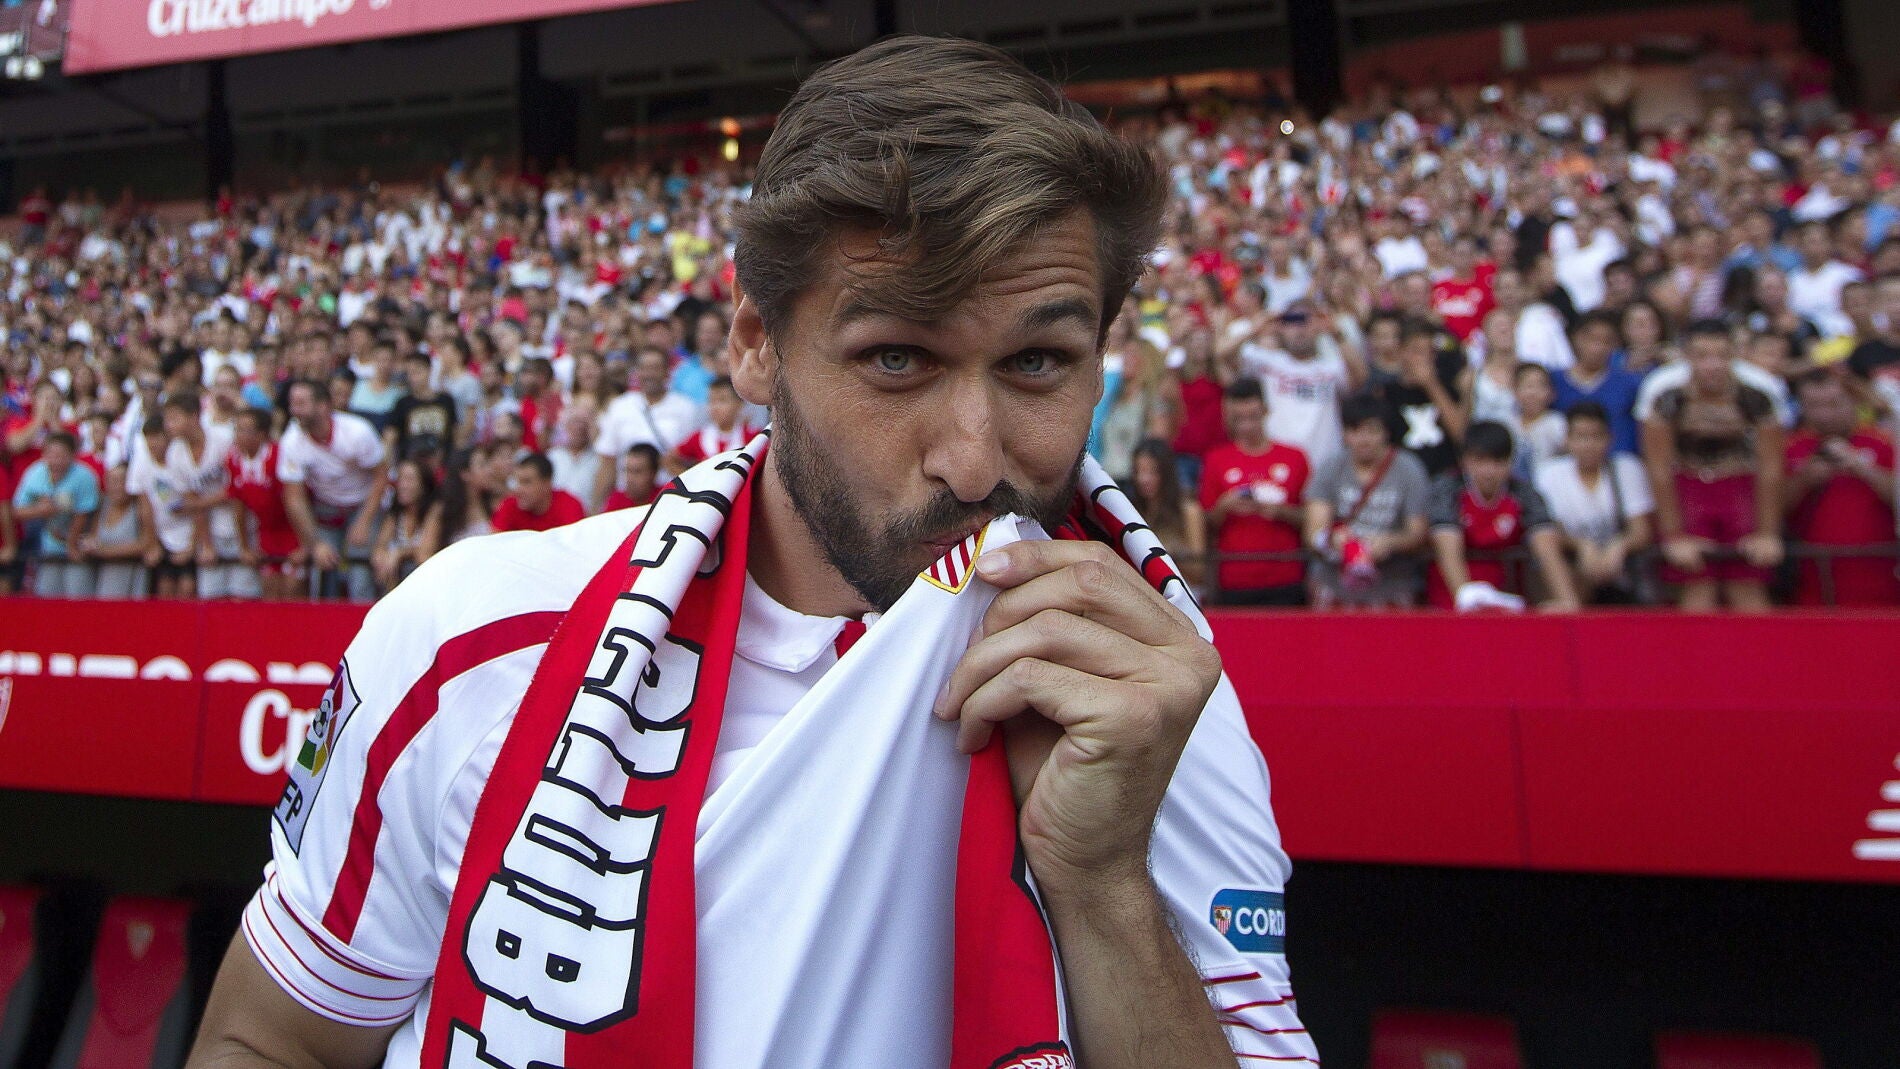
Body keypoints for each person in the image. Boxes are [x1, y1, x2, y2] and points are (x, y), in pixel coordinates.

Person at [190, 37, 1312, 1069]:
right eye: (896, 360)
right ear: (754, 344)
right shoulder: (468, 642)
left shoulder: (1152, 695)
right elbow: (268, 1038)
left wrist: (1105, 885)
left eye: (1035, 364)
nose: (975, 463)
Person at [1642, 319, 1787, 612]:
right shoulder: (1665, 396)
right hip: (1689, 491)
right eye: (1703, 356)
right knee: (1697, 590)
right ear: (1687, 357)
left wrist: (1768, 532)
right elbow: (1659, 467)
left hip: (1740, 490)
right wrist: (1674, 535)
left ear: (1734, 355)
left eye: (1721, 355)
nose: (1713, 365)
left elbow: (1771, 465)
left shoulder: (1758, 394)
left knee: (1748, 591)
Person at [1428, 420, 1581, 611]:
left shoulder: (1524, 494)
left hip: (1508, 601)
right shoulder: (1447, 491)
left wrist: (1568, 603)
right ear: (1464, 460)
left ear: (1511, 462)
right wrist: (1468, 599)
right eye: (1480, 460)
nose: (1489, 471)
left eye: (1498, 462)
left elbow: (1546, 547)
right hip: (1454, 600)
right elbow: (1448, 551)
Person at [1304, 394, 1432, 609]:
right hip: (1334, 584)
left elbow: (1418, 532)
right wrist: (1332, 539)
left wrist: (1390, 542)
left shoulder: (1409, 469)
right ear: (1345, 434)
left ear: (1385, 433)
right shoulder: (1331, 468)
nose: (1364, 440)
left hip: (1393, 584)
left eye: (1372, 431)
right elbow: (1313, 531)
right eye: (1355, 431)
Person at [1781, 372, 1899, 605]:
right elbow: (1772, 509)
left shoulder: (1886, 443)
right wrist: (1804, 479)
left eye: (1833, 404)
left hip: (1883, 583)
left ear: (1853, 401)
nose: (1824, 415)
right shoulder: (1790, 447)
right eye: (1814, 405)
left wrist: (1864, 469)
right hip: (1812, 586)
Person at [1198, 377, 1309, 605]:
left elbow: (1312, 520)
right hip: (1235, 578)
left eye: (1253, 417)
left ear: (1266, 411)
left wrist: (1281, 512)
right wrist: (1225, 506)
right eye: (1239, 419)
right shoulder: (1216, 459)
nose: (1247, 425)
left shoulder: (1295, 457)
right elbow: (1206, 523)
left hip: (1285, 576)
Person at [1534, 401, 1656, 604]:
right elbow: (1548, 530)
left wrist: (1619, 546)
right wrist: (1582, 546)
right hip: (1573, 568)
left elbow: (1641, 530)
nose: (1588, 445)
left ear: (1609, 438)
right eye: (1581, 437)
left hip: (1621, 572)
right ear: (1567, 439)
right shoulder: (1549, 474)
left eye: (1596, 437)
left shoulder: (1628, 468)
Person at [279, 378, 388, 601]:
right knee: (323, 571)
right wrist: (315, 543)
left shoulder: (357, 432)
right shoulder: (291, 441)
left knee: (360, 576)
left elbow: (381, 476)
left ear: (323, 405)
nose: (294, 410)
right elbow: (294, 498)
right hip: (325, 507)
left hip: (363, 502)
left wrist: (364, 522)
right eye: (293, 403)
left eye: (301, 403)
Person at [223, 407, 302, 601]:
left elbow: (297, 499)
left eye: (245, 430)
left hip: (292, 531)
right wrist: (244, 546)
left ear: (261, 434)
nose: (239, 436)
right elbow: (238, 503)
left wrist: (305, 544)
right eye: (237, 430)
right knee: (269, 590)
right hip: (266, 533)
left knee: (293, 590)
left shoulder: (279, 455)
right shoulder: (233, 460)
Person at [11, 431, 100, 597]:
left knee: (78, 596)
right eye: (51, 455)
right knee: (47, 596)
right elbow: (17, 511)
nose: (55, 461)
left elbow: (84, 513)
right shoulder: (35, 473)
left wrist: (72, 545)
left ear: (73, 455)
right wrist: (40, 510)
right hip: (46, 546)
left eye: (61, 456)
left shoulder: (85, 476)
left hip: (80, 543)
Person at [594, 344, 705, 476]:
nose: (649, 374)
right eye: (644, 368)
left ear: (667, 372)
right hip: (628, 492)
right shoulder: (620, 405)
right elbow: (608, 460)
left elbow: (694, 459)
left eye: (655, 368)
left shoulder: (687, 408)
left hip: (671, 491)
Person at [1552, 310, 1644, 456]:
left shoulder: (1630, 383)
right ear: (1575, 338)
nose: (1598, 347)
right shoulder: (1553, 381)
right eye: (1591, 339)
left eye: (1606, 341)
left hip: (1619, 464)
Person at [1127, 437, 1207, 593]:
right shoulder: (1131, 510)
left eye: (1152, 471)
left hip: (1184, 592)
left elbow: (1199, 571)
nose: (1144, 479)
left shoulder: (1189, 511)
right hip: (1143, 593)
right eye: (1139, 472)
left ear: (1166, 473)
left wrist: (1172, 553)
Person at [76, 464, 152, 599]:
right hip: (102, 578)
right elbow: (94, 536)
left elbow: (147, 543)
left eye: (121, 481)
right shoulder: (102, 505)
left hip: (131, 578)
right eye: (111, 481)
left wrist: (105, 552)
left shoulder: (139, 508)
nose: (116, 487)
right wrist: (88, 545)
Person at [371, 458, 442, 593]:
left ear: (423, 484)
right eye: (401, 479)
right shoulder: (396, 514)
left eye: (409, 479)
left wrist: (399, 553)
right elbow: (380, 546)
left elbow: (424, 553)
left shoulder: (434, 511)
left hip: (426, 583)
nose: (403, 485)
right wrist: (381, 557)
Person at [385, 351, 458, 465]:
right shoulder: (403, 403)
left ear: (429, 370)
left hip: (441, 464)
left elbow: (455, 432)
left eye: (417, 372)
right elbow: (390, 435)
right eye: (409, 373)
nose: (413, 378)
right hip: (410, 464)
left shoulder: (446, 400)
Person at [491, 450, 587, 533]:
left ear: (546, 484)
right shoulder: (510, 505)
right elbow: (494, 545)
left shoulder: (569, 505)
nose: (518, 489)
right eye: (518, 482)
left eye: (526, 482)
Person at [602, 442, 662, 511]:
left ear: (653, 473)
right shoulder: (616, 500)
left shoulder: (665, 498)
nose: (630, 479)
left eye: (637, 472)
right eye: (627, 471)